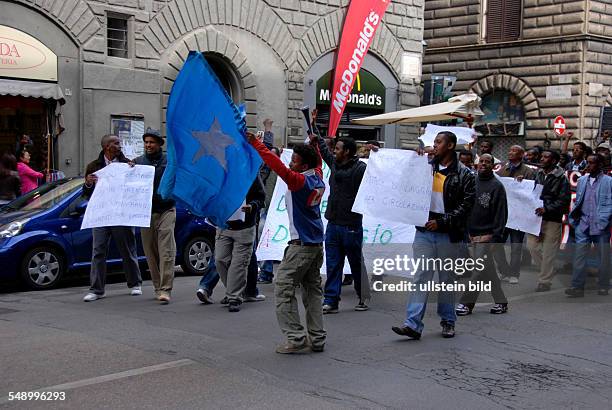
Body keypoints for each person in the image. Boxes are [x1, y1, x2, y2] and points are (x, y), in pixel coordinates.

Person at [392, 131, 475, 340]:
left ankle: (448, 321)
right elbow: (400, 177)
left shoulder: (465, 175)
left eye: (438, 142)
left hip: (447, 233)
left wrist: (442, 222)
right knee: (421, 277)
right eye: (434, 142)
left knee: (446, 279)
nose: (434, 145)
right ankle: (412, 324)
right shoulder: (425, 166)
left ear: (450, 146)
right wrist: (389, 157)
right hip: (424, 231)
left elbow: (466, 206)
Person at [248, 132, 326, 354]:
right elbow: (318, 161)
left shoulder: (298, 181)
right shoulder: (317, 176)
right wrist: (316, 145)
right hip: (315, 244)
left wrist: (256, 143)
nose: (290, 163)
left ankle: (296, 337)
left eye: (294, 161)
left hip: (300, 246)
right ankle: (317, 338)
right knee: (312, 292)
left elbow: (274, 164)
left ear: (304, 165)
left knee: (283, 287)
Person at [310, 128, 370, 313]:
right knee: (333, 264)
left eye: (338, 148)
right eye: (334, 148)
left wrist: (377, 154)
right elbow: (324, 150)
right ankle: (331, 300)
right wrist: (315, 133)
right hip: (333, 224)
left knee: (355, 263)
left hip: (351, 225)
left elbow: (379, 176)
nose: (334, 151)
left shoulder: (361, 169)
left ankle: (363, 296)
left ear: (347, 152)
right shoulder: (335, 164)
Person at [82, 135, 143, 302]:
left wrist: (133, 172)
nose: (119, 145)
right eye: (116, 143)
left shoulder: (127, 164)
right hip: (101, 215)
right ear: (107, 146)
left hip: (121, 214)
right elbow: (86, 194)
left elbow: (135, 189)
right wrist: (88, 183)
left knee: (127, 248)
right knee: (98, 251)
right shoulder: (93, 167)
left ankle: (135, 283)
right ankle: (97, 289)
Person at [456, 154, 509, 315]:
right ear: (477, 164)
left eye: (488, 162)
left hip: (487, 236)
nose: (484, 164)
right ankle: (501, 302)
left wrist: (496, 238)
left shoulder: (497, 186)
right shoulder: (471, 182)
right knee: (488, 270)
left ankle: (466, 303)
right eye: (482, 161)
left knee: (478, 270)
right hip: (471, 234)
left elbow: (501, 214)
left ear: (493, 166)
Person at [134, 128, 176, 304]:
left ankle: (166, 289)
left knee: (166, 250)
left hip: (166, 210)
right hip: (146, 213)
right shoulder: (138, 163)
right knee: (150, 253)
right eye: (146, 142)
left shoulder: (169, 161)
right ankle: (157, 287)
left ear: (159, 144)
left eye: (151, 142)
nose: (148, 145)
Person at [214, 176, 265, 312]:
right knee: (220, 260)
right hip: (224, 225)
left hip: (244, 227)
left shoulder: (250, 171)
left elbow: (261, 198)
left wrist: (252, 206)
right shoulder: (220, 171)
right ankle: (232, 291)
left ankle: (234, 297)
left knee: (238, 264)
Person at [565, 154, 611, 297]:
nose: (588, 165)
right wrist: (575, 222)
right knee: (579, 257)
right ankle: (577, 287)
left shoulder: (609, 181)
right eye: (588, 162)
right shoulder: (582, 180)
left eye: (592, 163)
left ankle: (603, 285)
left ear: (599, 165)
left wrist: (605, 220)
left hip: (600, 226)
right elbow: (578, 201)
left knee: (603, 258)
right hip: (583, 225)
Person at [526, 149, 570, 292]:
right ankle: (549, 271)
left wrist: (547, 208)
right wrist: (521, 180)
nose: (542, 159)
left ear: (554, 161)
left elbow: (564, 201)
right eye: (542, 156)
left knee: (549, 251)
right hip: (536, 218)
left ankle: (544, 281)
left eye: (546, 157)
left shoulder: (561, 178)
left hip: (552, 219)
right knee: (532, 247)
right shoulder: (537, 174)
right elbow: (529, 191)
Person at [493, 145, 536, 284]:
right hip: (504, 214)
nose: (510, 153)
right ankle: (504, 270)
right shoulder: (502, 169)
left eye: (514, 151)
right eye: (510, 150)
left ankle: (514, 273)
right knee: (497, 244)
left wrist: (524, 183)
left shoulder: (528, 171)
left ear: (522, 154)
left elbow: (532, 191)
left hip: (518, 215)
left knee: (516, 247)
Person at [257, 146, 281, 284]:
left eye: (273, 155)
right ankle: (265, 272)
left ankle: (266, 272)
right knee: (263, 240)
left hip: (274, 212)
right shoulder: (264, 170)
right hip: (263, 210)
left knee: (265, 239)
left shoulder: (280, 171)